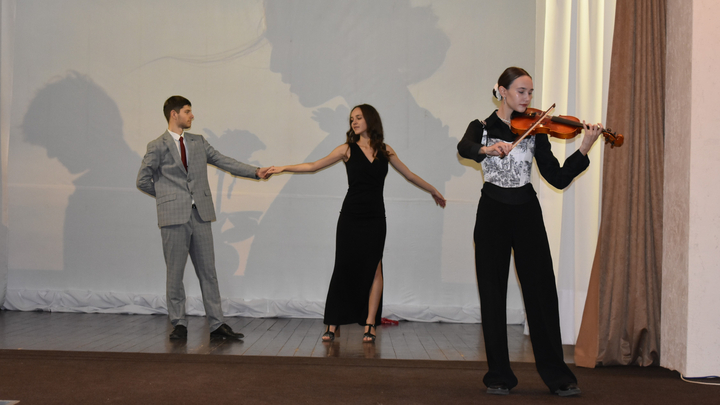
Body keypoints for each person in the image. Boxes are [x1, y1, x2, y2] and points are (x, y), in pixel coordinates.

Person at [457, 67, 602, 397]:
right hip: (492, 212)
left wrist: (584, 148)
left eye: (530, 92)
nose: (527, 98)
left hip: (526, 212)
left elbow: (557, 177)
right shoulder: (481, 127)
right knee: (492, 293)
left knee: (542, 292)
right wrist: (487, 149)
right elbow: (464, 148)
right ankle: (499, 376)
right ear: (502, 91)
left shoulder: (536, 130)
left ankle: (558, 376)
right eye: (521, 91)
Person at [267, 104, 446, 343]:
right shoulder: (347, 149)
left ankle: (370, 323)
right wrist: (282, 168)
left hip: (375, 218)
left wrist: (433, 189)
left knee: (375, 268)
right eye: (352, 119)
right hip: (351, 216)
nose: (354, 122)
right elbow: (313, 166)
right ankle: (333, 322)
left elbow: (409, 174)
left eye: (359, 117)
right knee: (343, 267)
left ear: (370, 119)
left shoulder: (385, 150)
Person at [137, 95, 271, 341]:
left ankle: (217, 324)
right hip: (173, 218)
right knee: (175, 274)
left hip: (200, 214)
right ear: (174, 114)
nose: (192, 115)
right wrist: (168, 198)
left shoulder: (197, 142)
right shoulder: (157, 145)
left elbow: (223, 161)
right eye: (187, 111)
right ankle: (179, 323)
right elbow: (142, 180)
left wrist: (255, 171)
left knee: (208, 272)